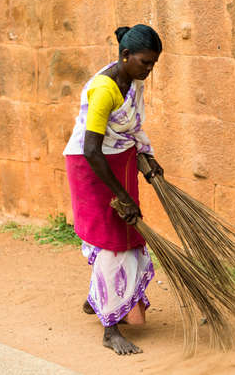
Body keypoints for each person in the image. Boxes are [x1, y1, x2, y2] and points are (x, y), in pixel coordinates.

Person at [63, 24, 163, 355]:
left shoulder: (132, 82)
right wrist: (121, 195)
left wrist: (147, 160)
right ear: (125, 56)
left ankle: (98, 297)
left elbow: (131, 128)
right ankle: (110, 329)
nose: (149, 70)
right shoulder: (104, 90)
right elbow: (91, 148)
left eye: (153, 63)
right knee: (112, 244)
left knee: (127, 234)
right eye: (145, 62)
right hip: (92, 169)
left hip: (118, 160)